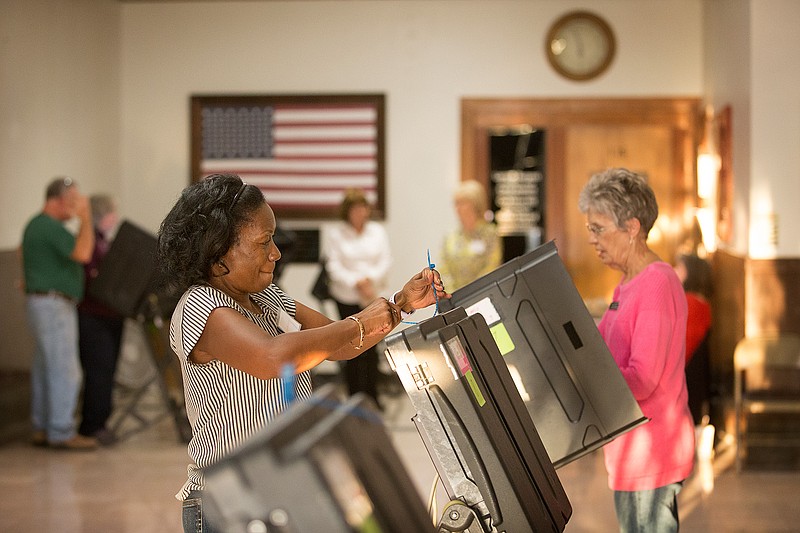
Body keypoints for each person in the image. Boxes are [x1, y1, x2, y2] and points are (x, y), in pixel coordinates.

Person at [156, 174, 447, 533]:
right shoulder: (201, 307)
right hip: (232, 504)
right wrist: (360, 321)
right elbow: (273, 358)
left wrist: (400, 305)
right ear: (218, 259)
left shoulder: (267, 297)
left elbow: (338, 345)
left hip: (284, 490)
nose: (275, 253)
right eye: (264, 243)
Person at [578, 168, 695, 533]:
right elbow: (598, 348)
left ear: (631, 227)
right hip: (629, 452)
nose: (593, 240)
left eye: (599, 229)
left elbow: (642, 379)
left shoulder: (657, 283)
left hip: (653, 452)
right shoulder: (627, 284)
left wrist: (588, 374)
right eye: (590, 231)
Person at [21, 176, 97, 450]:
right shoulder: (50, 227)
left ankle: (42, 427)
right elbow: (84, 252)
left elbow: (21, 253)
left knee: (45, 367)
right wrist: (86, 218)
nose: (76, 206)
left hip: (41, 303)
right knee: (65, 369)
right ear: (59, 200)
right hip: (54, 305)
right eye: (73, 200)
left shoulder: (35, 225)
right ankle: (61, 430)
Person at [322, 188, 392, 405]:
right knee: (351, 346)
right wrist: (356, 282)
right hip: (346, 297)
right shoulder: (336, 234)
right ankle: (354, 396)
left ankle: (372, 395)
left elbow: (385, 260)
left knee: (371, 347)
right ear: (347, 211)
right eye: (354, 208)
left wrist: (368, 280)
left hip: (371, 296)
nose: (359, 212)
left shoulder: (377, 232)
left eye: (362, 207)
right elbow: (333, 266)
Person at [77, 194, 124, 446]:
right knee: (98, 372)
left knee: (107, 372)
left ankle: (101, 422)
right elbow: (92, 280)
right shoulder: (90, 242)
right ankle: (92, 425)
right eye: (110, 213)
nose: (113, 218)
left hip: (111, 315)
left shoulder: (104, 241)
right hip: (94, 316)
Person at [439, 180, 502, 292]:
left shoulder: (490, 234)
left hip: (481, 294)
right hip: (453, 297)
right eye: (455, 203)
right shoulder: (450, 236)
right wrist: (452, 292)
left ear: (475, 204)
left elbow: (491, 266)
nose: (457, 208)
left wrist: (471, 293)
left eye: (462, 203)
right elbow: (444, 269)